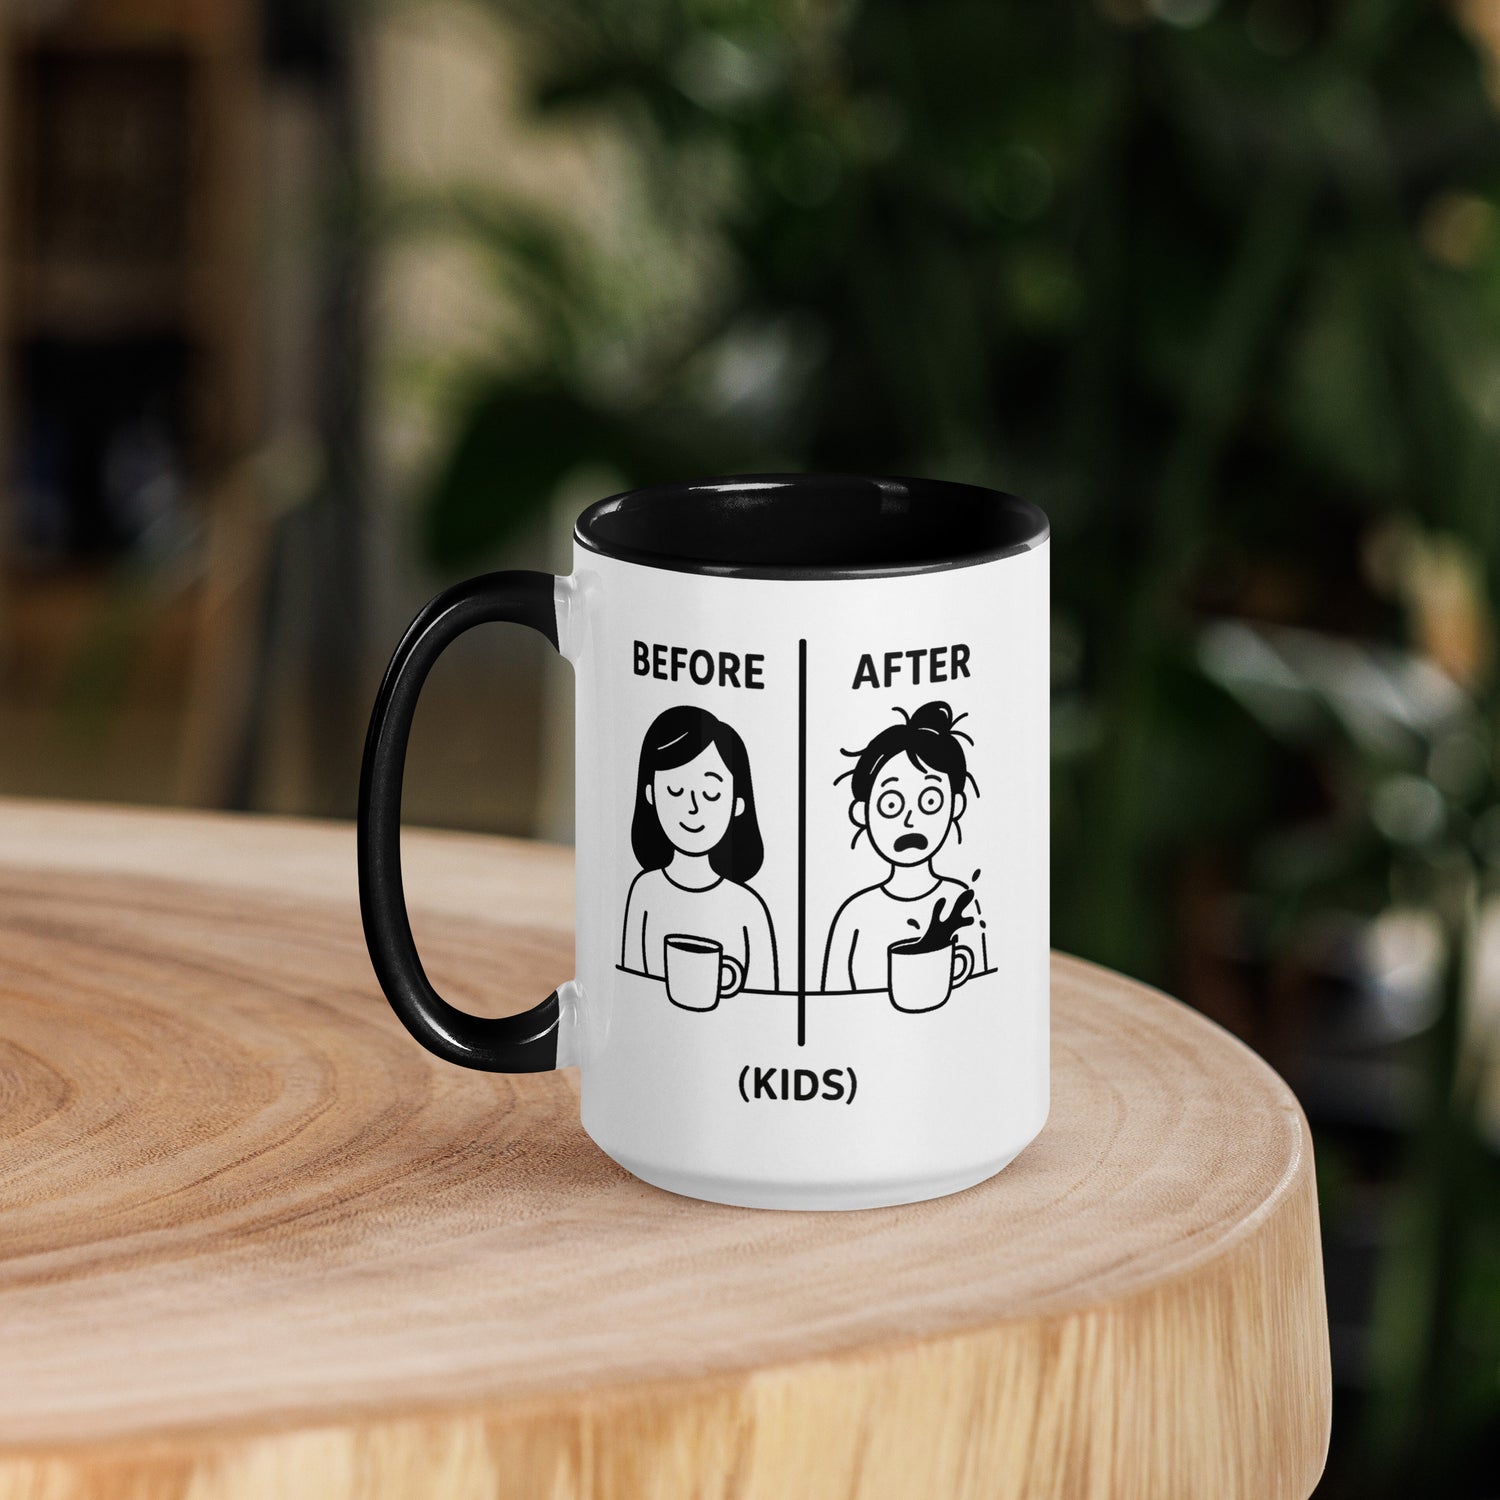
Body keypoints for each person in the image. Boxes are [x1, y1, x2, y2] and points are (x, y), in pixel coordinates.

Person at [822, 700, 986, 992]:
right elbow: (831, 1000)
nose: (910, 819)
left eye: (930, 800)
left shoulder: (960, 903)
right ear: (862, 813)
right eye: (891, 804)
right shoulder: (855, 916)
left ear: (955, 806)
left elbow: (982, 989)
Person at [621, 706, 778, 989]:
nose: (693, 807)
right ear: (651, 795)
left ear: (737, 804)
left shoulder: (749, 908)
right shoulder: (645, 892)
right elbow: (629, 983)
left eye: (711, 793)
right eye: (676, 791)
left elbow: (764, 1000)